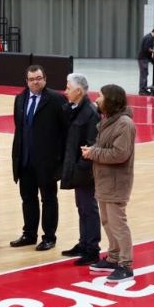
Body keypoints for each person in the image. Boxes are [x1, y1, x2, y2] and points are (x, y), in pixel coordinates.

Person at [81, 84, 137, 282]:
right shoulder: (108, 121)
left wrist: (93, 153)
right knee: (107, 221)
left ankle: (126, 265)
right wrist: (93, 149)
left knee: (118, 223)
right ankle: (113, 257)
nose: (96, 99)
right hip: (104, 180)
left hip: (116, 183)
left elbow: (119, 154)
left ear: (111, 100)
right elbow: (106, 146)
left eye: (101, 96)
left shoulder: (124, 124)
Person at [10, 64, 67, 251]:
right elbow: (20, 129)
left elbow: (65, 131)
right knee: (28, 198)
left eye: (39, 78)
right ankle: (29, 234)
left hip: (47, 162)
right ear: (26, 81)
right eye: (32, 79)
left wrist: (60, 161)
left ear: (45, 79)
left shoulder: (57, 99)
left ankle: (49, 236)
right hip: (24, 160)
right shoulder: (20, 99)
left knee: (49, 199)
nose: (36, 82)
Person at [60, 73, 102, 266]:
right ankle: (84, 243)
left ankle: (92, 248)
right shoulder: (76, 108)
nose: (65, 91)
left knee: (89, 208)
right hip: (77, 167)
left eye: (68, 88)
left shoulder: (90, 113)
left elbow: (92, 144)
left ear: (79, 91)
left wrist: (80, 167)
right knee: (82, 207)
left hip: (85, 169)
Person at [138, 26, 154, 96]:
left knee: (145, 74)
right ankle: (142, 90)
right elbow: (146, 48)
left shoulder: (151, 37)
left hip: (145, 58)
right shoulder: (149, 38)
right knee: (144, 74)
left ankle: (144, 89)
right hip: (143, 58)